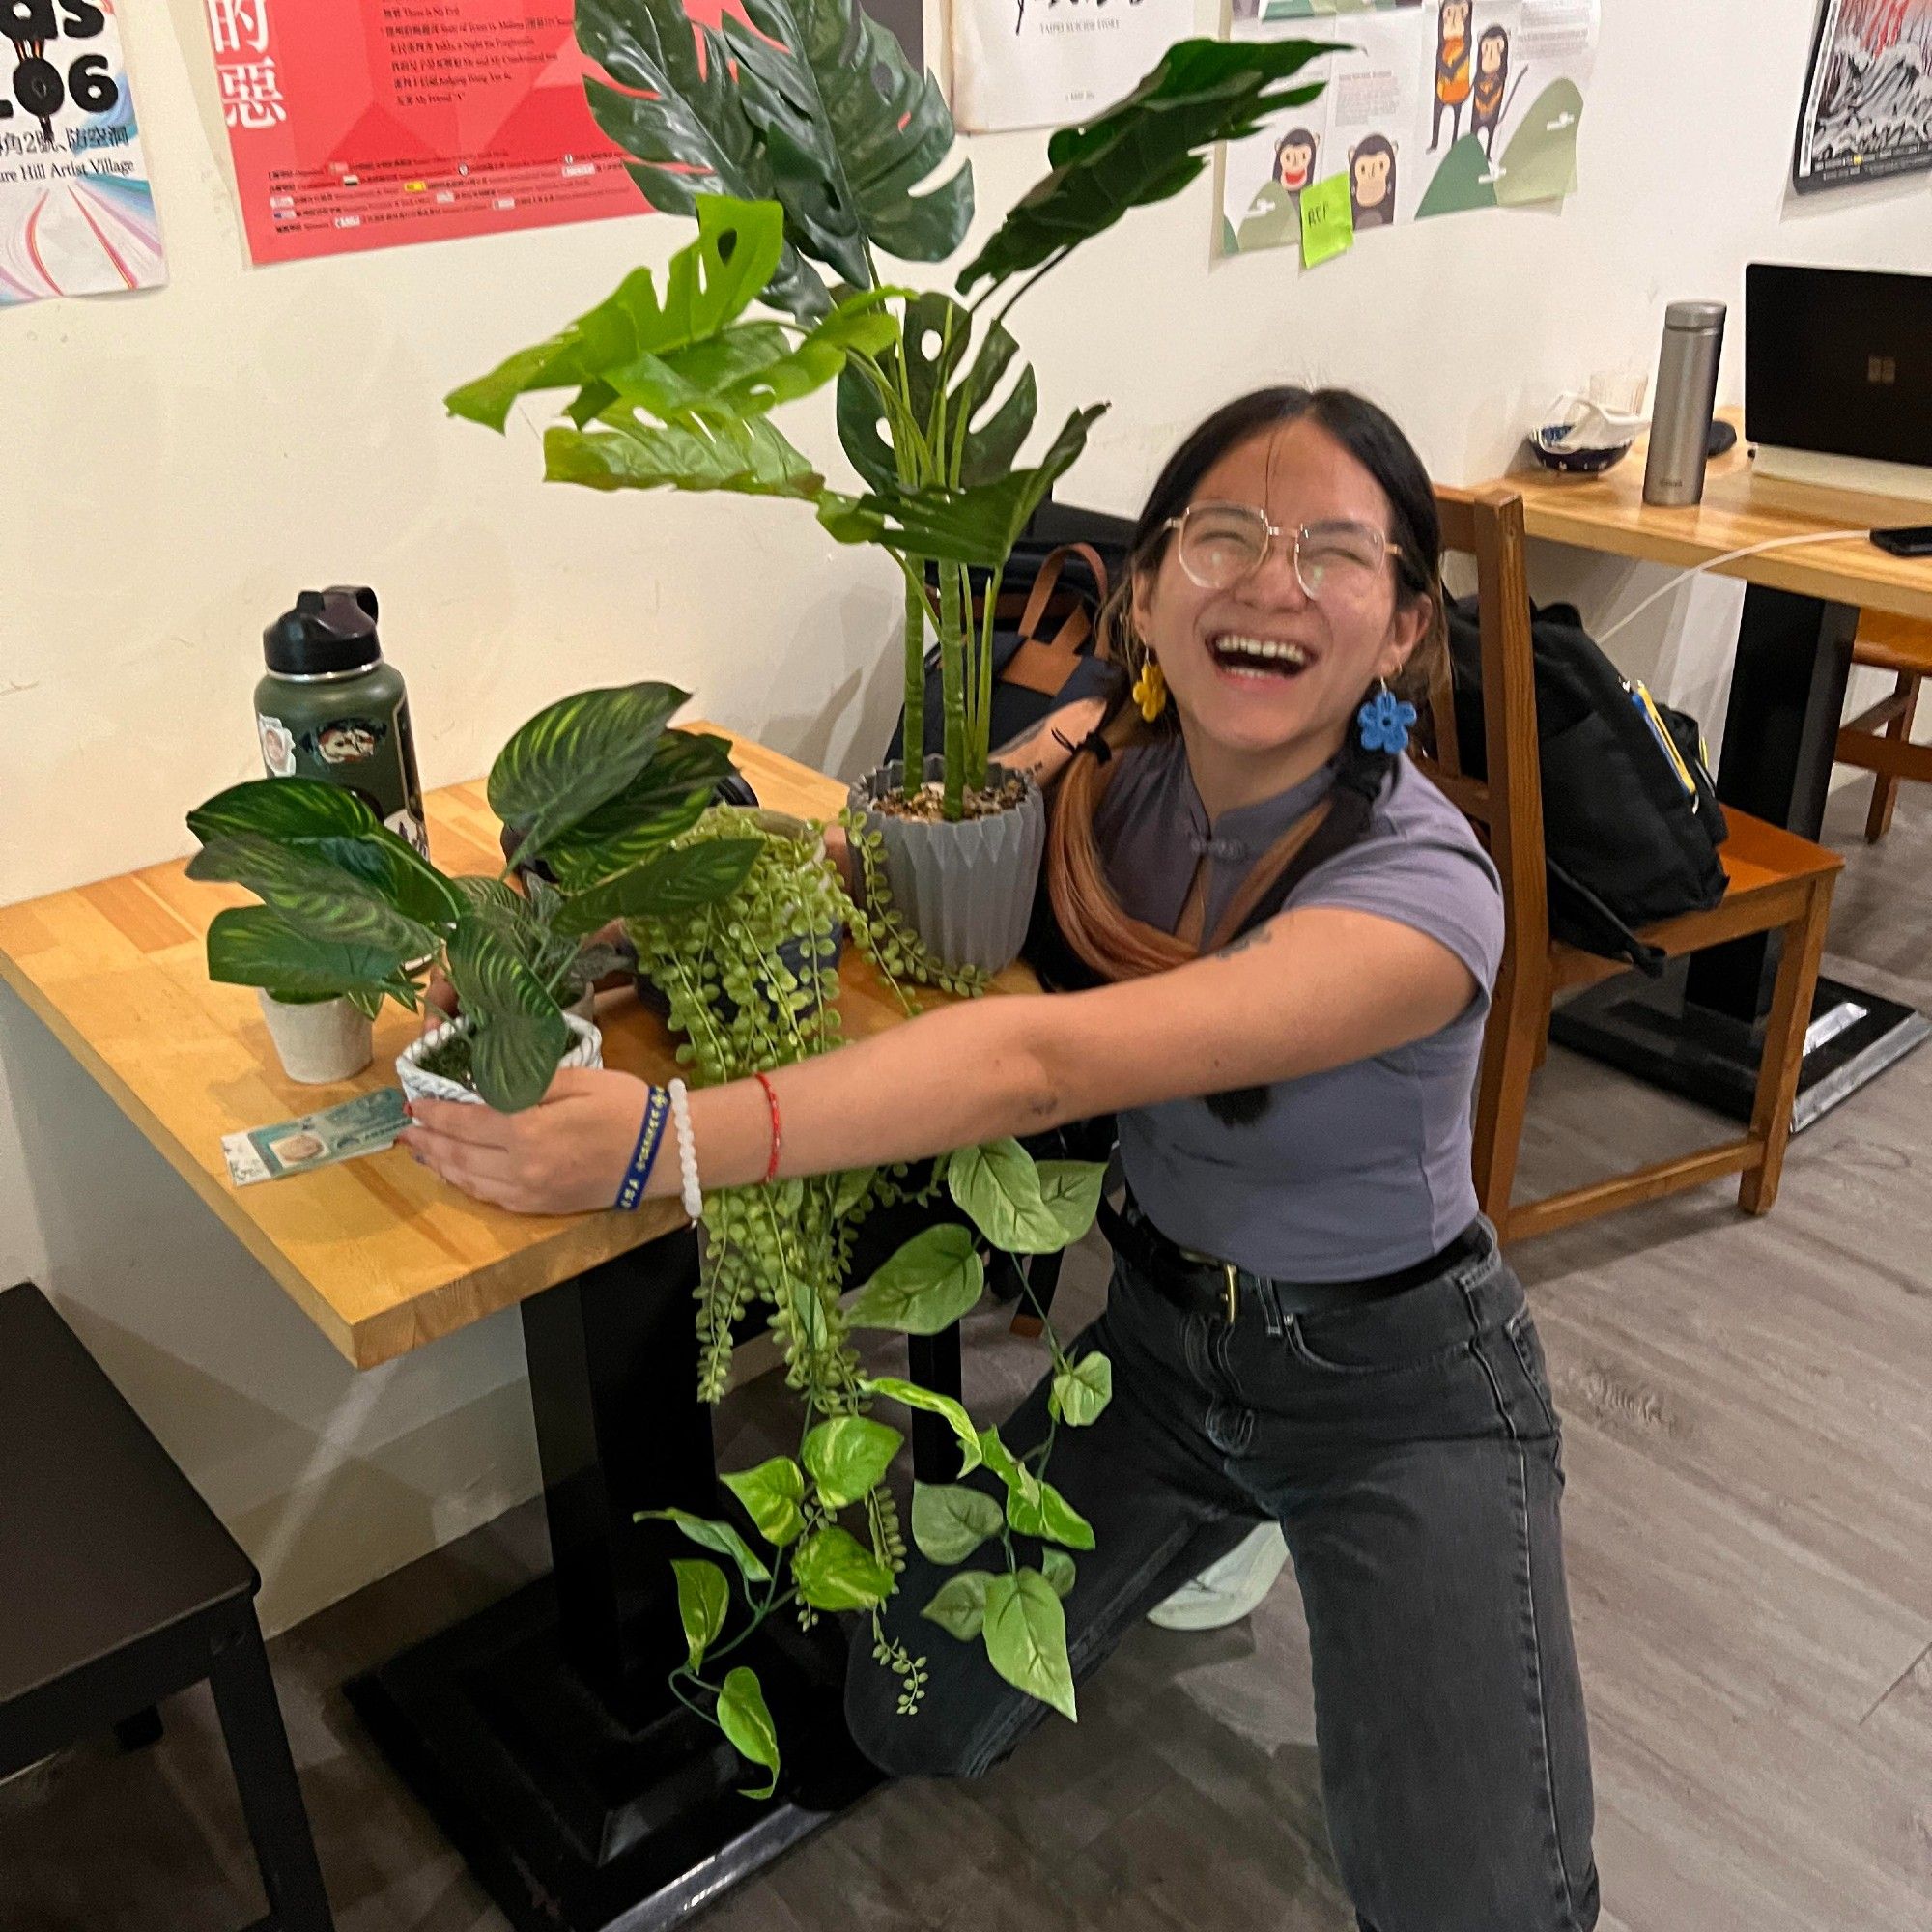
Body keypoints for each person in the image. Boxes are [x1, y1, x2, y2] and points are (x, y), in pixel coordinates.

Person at [401, 387, 1599, 1932]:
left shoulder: (1426, 896)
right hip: (1164, 1355)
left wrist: (661, 1147)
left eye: (1333, 553)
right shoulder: (1097, 768)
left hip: (1396, 1389)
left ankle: (1293, 1522)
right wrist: (572, 940)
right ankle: (1219, 1510)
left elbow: (1039, 1060)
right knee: (906, 1714)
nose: (1271, 580)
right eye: (1224, 534)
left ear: (1403, 635)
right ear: (1148, 592)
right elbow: (868, 851)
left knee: (1479, 1912)